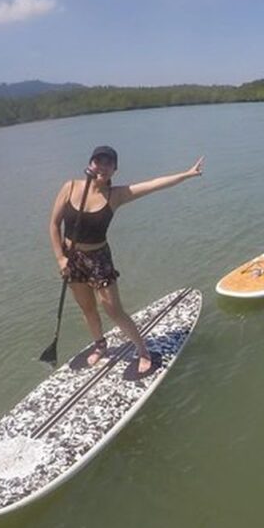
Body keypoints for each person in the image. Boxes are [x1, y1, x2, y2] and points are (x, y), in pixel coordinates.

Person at [47, 146, 203, 374]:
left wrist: (186, 174)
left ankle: (142, 350)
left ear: (114, 169)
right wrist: (60, 258)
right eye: (98, 161)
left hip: (99, 258)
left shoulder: (116, 195)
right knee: (87, 307)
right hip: (71, 258)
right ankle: (100, 345)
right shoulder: (69, 187)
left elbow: (153, 184)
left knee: (113, 309)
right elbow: (53, 224)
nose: (102, 166)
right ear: (90, 164)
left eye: (108, 163)